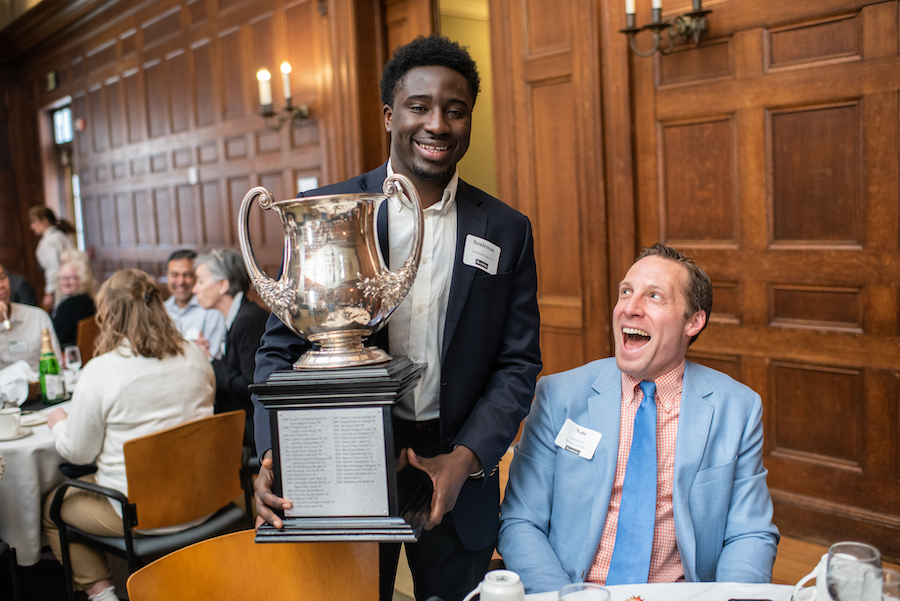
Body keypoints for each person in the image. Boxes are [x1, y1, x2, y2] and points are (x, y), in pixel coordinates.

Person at [252, 34, 542, 601]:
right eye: (419, 106)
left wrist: (466, 460)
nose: (438, 123)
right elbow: (276, 352)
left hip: (457, 461)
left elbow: (517, 363)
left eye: (455, 110)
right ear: (390, 116)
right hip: (341, 456)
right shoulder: (331, 210)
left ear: (468, 122)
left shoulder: (506, 229)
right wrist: (273, 453)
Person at [498, 244, 779, 594]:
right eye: (626, 292)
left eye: (654, 297)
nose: (630, 308)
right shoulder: (560, 396)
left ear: (694, 321)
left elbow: (749, 533)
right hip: (575, 591)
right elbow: (521, 521)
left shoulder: (737, 408)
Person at [41, 268, 215, 601]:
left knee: (52, 505)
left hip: (140, 512)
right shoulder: (195, 354)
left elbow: (77, 453)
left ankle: (103, 595)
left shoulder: (102, 370)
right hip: (205, 495)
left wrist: (57, 422)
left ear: (109, 315)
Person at [192, 249, 268, 449]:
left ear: (222, 285)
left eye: (200, 282)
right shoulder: (238, 315)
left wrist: (210, 360)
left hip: (253, 427)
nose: (195, 289)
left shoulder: (248, 319)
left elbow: (250, 385)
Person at [163, 249, 226, 360]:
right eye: (174, 275)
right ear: (167, 276)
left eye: (187, 275)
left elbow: (212, 358)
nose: (180, 281)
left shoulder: (212, 310)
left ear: (197, 276)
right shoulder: (161, 310)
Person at [0, 262, 62, 372]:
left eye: (3, 277)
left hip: (37, 386)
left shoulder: (37, 317)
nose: (1, 285)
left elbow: (57, 366)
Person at [28, 206, 75, 311]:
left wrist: (49, 293)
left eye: (34, 222)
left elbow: (53, 268)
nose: (32, 226)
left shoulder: (49, 241)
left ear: (44, 221)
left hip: (62, 287)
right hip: (72, 284)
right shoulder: (60, 235)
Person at [51, 250, 97, 348]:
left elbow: (56, 339)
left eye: (71, 278)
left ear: (82, 279)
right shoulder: (87, 299)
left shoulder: (70, 305)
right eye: (63, 278)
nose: (66, 283)